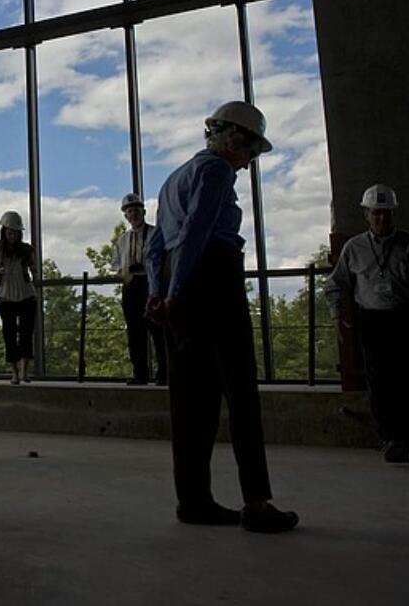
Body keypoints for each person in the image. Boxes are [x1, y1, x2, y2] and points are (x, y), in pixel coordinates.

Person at [144, 100, 298, 533]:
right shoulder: (215, 171)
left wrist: (159, 291)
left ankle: (193, 499)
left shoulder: (172, 180)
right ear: (234, 139)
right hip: (212, 275)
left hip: (181, 276)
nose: (248, 164)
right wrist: (175, 293)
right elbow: (197, 231)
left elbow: (155, 247)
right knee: (240, 389)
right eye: (251, 152)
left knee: (191, 397)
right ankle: (257, 503)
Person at [326, 184, 409, 462]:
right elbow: (336, 284)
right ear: (366, 214)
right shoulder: (354, 248)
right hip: (373, 321)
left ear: (394, 215)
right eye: (376, 214)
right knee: (379, 382)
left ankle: (403, 438)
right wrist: (336, 317)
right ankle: (388, 436)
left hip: (408, 321)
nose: (382, 219)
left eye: (387, 214)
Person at [113, 193, 166, 386]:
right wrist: (124, 274)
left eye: (136, 210)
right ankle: (140, 373)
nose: (133, 214)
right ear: (125, 216)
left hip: (149, 283)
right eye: (129, 211)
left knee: (157, 329)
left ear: (143, 212)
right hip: (131, 285)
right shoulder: (122, 240)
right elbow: (116, 263)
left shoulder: (154, 233)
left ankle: (164, 372)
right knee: (135, 332)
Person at [0, 210, 36, 385]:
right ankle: (14, 373)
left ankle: (24, 371)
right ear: (4, 232)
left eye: (15, 233)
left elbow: (34, 267)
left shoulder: (26, 250)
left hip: (26, 294)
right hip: (6, 296)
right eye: (9, 232)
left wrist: (34, 269)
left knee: (26, 334)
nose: (12, 236)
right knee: (9, 335)